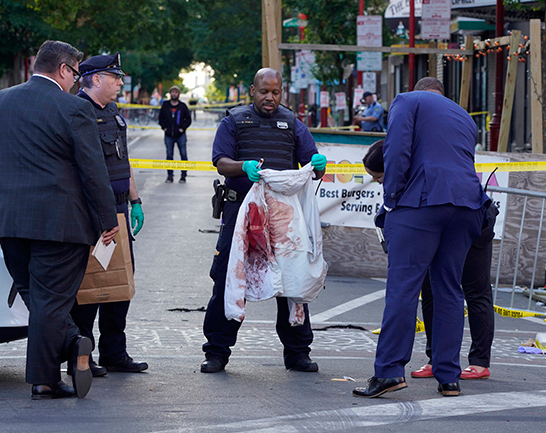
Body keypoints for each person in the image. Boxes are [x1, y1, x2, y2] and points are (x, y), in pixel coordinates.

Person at [0, 40, 119, 400]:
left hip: (11, 222)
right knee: (52, 302)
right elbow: (93, 170)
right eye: (76, 73)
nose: (76, 81)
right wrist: (108, 218)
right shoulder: (74, 108)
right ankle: (46, 377)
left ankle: (70, 345)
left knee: (38, 298)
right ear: (64, 69)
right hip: (61, 224)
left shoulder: (1, 100)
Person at [352, 77, 489, 399]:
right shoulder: (464, 115)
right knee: (449, 289)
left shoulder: (406, 101)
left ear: (417, 89)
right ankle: (449, 376)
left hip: (423, 202)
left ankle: (389, 371)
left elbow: (396, 151)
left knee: (403, 288)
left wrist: (391, 199)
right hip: (468, 204)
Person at [200, 68, 328, 374]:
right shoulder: (234, 121)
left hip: (282, 216)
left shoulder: (292, 123)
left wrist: (319, 166)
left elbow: (313, 165)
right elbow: (221, 162)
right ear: (252, 91)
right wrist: (242, 167)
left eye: (275, 92)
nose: (270, 97)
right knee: (229, 278)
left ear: (281, 92)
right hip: (240, 212)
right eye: (264, 92)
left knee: (292, 280)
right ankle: (216, 352)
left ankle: (298, 353)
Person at [361, 139, 498, 382]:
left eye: (378, 176)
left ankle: (479, 361)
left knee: (473, 291)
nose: (377, 181)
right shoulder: (413, 174)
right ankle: (438, 360)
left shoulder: (427, 166)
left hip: (469, 222)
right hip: (441, 222)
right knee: (432, 291)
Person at [69, 53, 149, 376]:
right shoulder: (77, 111)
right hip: (90, 210)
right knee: (90, 284)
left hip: (118, 207)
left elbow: (122, 161)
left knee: (120, 281)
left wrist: (135, 199)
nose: (119, 83)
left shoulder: (114, 112)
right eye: (115, 77)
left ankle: (114, 352)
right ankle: (82, 356)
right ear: (97, 79)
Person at [158, 85, 192, 183]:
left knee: (183, 155)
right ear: (170, 93)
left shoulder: (182, 106)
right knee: (169, 155)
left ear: (178, 94)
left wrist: (182, 128)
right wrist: (164, 128)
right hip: (169, 135)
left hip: (180, 135)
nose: (174, 94)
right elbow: (160, 118)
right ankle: (170, 176)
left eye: (176, 92)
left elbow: (188, 119)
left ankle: (183, 176)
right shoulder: (165, 105)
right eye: (172, 92)